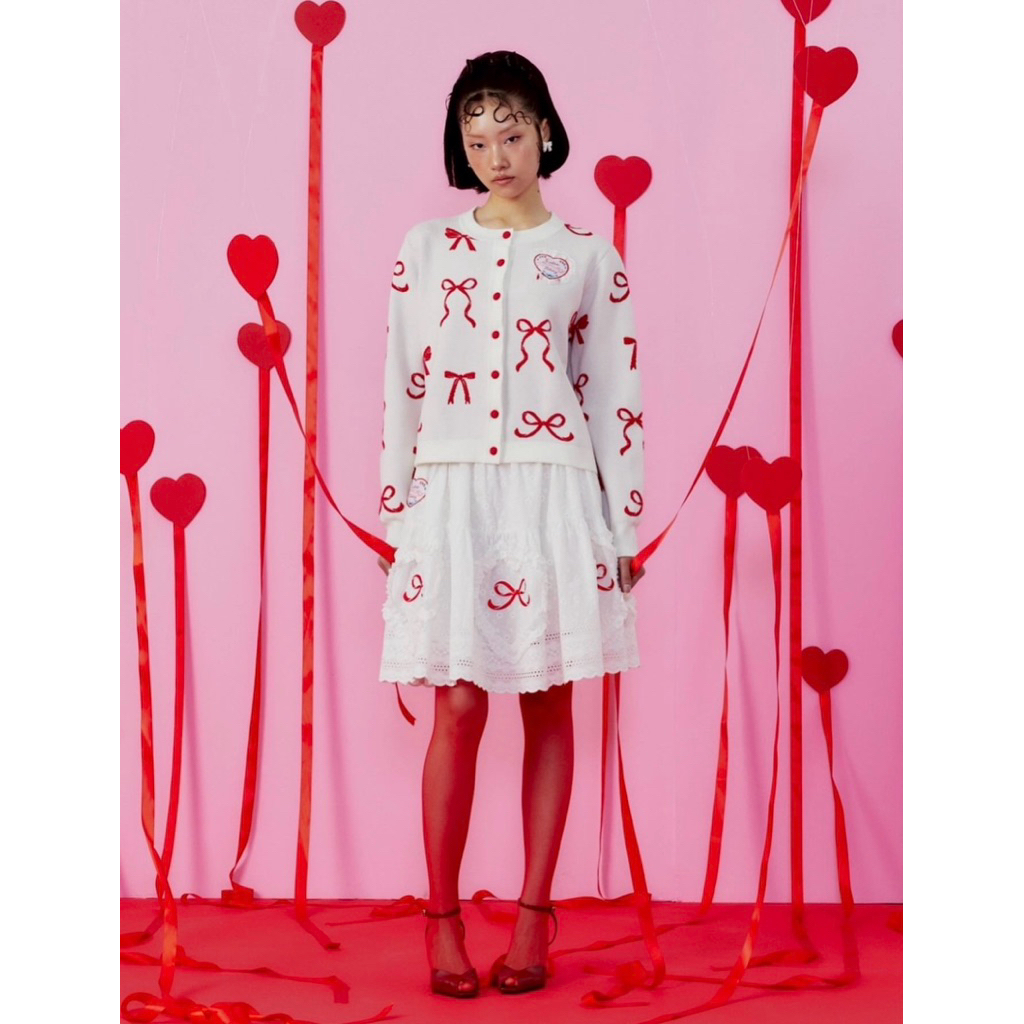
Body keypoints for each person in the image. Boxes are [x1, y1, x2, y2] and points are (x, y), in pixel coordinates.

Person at [376, 50, 646, 998]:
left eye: (512, 131)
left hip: (551, 492)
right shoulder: (425, 250)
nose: (496, 152)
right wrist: (397, 514)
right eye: (477, 135)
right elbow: (402, 383)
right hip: (452, 492)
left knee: (549, 701)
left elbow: (612, 397)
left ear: (545, 133)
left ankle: (534, 920)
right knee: (457, 705)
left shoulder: (589, 256)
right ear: (461, 145)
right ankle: (442, 920)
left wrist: (623, 530)